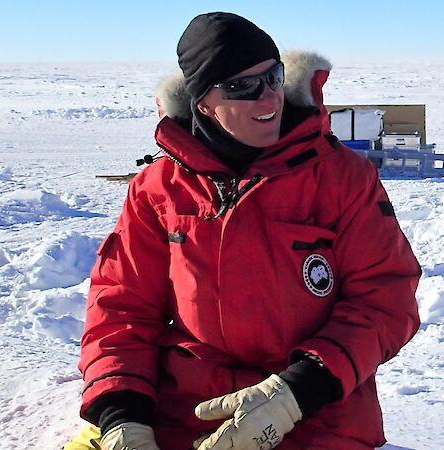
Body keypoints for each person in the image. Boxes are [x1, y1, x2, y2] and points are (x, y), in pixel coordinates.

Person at [69, 11, 421, 450]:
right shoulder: (158, 189)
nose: (269, 98)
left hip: (317, 416)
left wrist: (293, 395)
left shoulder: (342, 179)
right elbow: (121, 308)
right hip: (185, 415)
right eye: (242, 87)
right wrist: (123, 415)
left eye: (273, 77)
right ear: (202, 103)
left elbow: (386, 299)